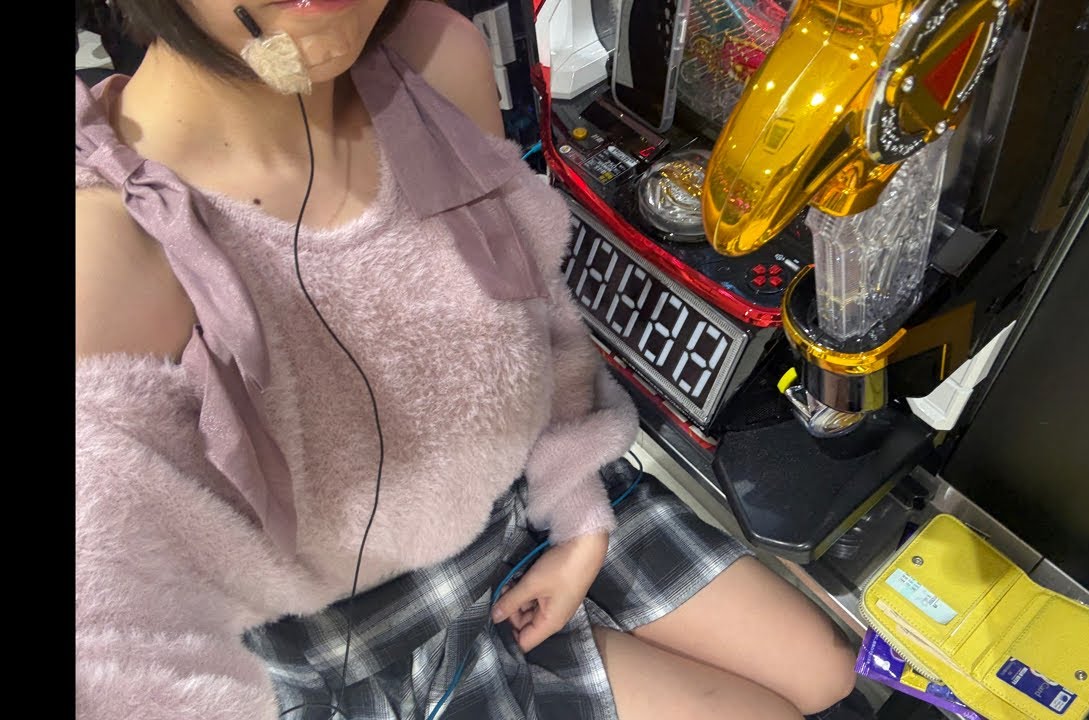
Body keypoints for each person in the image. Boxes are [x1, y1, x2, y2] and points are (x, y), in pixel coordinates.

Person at [74, 1, 859, 717]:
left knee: (826, 671)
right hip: (370, 635)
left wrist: (578, 512)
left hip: (526, 489)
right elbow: (113, 634)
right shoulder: (104, 246)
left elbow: (533, 310)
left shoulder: (432, 58)